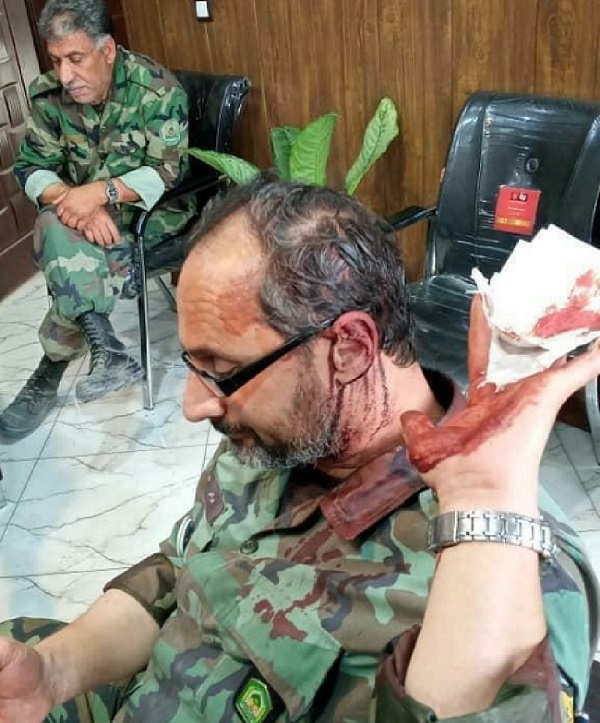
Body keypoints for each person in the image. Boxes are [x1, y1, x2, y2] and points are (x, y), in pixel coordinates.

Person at [0, 177, 598, 723]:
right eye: (195, 365)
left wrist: (483, 499)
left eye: (221, 369)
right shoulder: (275, 439)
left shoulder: (508, 568)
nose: (195, 404)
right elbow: (178, 570)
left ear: (351, 348)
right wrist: (54, 673)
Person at [0, 0, 195, 442]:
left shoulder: (156, 90)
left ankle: (52, 370)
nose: (65, 75)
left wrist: (100, 193)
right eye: (56, 60)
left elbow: (168, 172)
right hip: (80, 214)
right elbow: (31, 167)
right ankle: (106, 349)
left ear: (107, 50)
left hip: (151, 215)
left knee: (60, 243)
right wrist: (73, 201)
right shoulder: (49, 95)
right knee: (57, 226)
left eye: (75, 58)